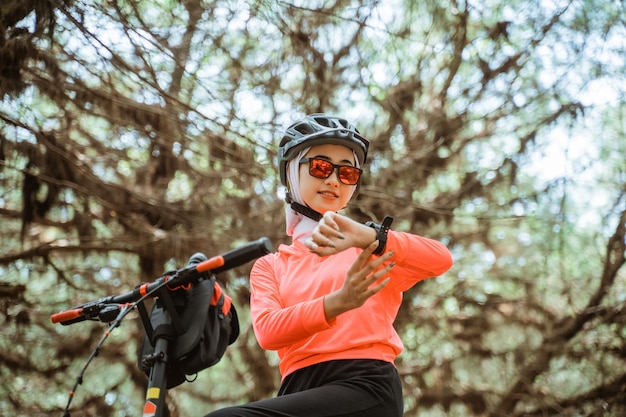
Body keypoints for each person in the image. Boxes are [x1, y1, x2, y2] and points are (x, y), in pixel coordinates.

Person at [204, 113, 453, 417]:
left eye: (347, 173)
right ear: (292, 173)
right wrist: (337, 303)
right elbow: (268, 332)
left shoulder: (370, 247)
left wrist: (371, 235)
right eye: (320, 167)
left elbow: (441, 259)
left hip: (366, 384)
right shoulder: (270, 266)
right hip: (297, 389)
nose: (334, 179)